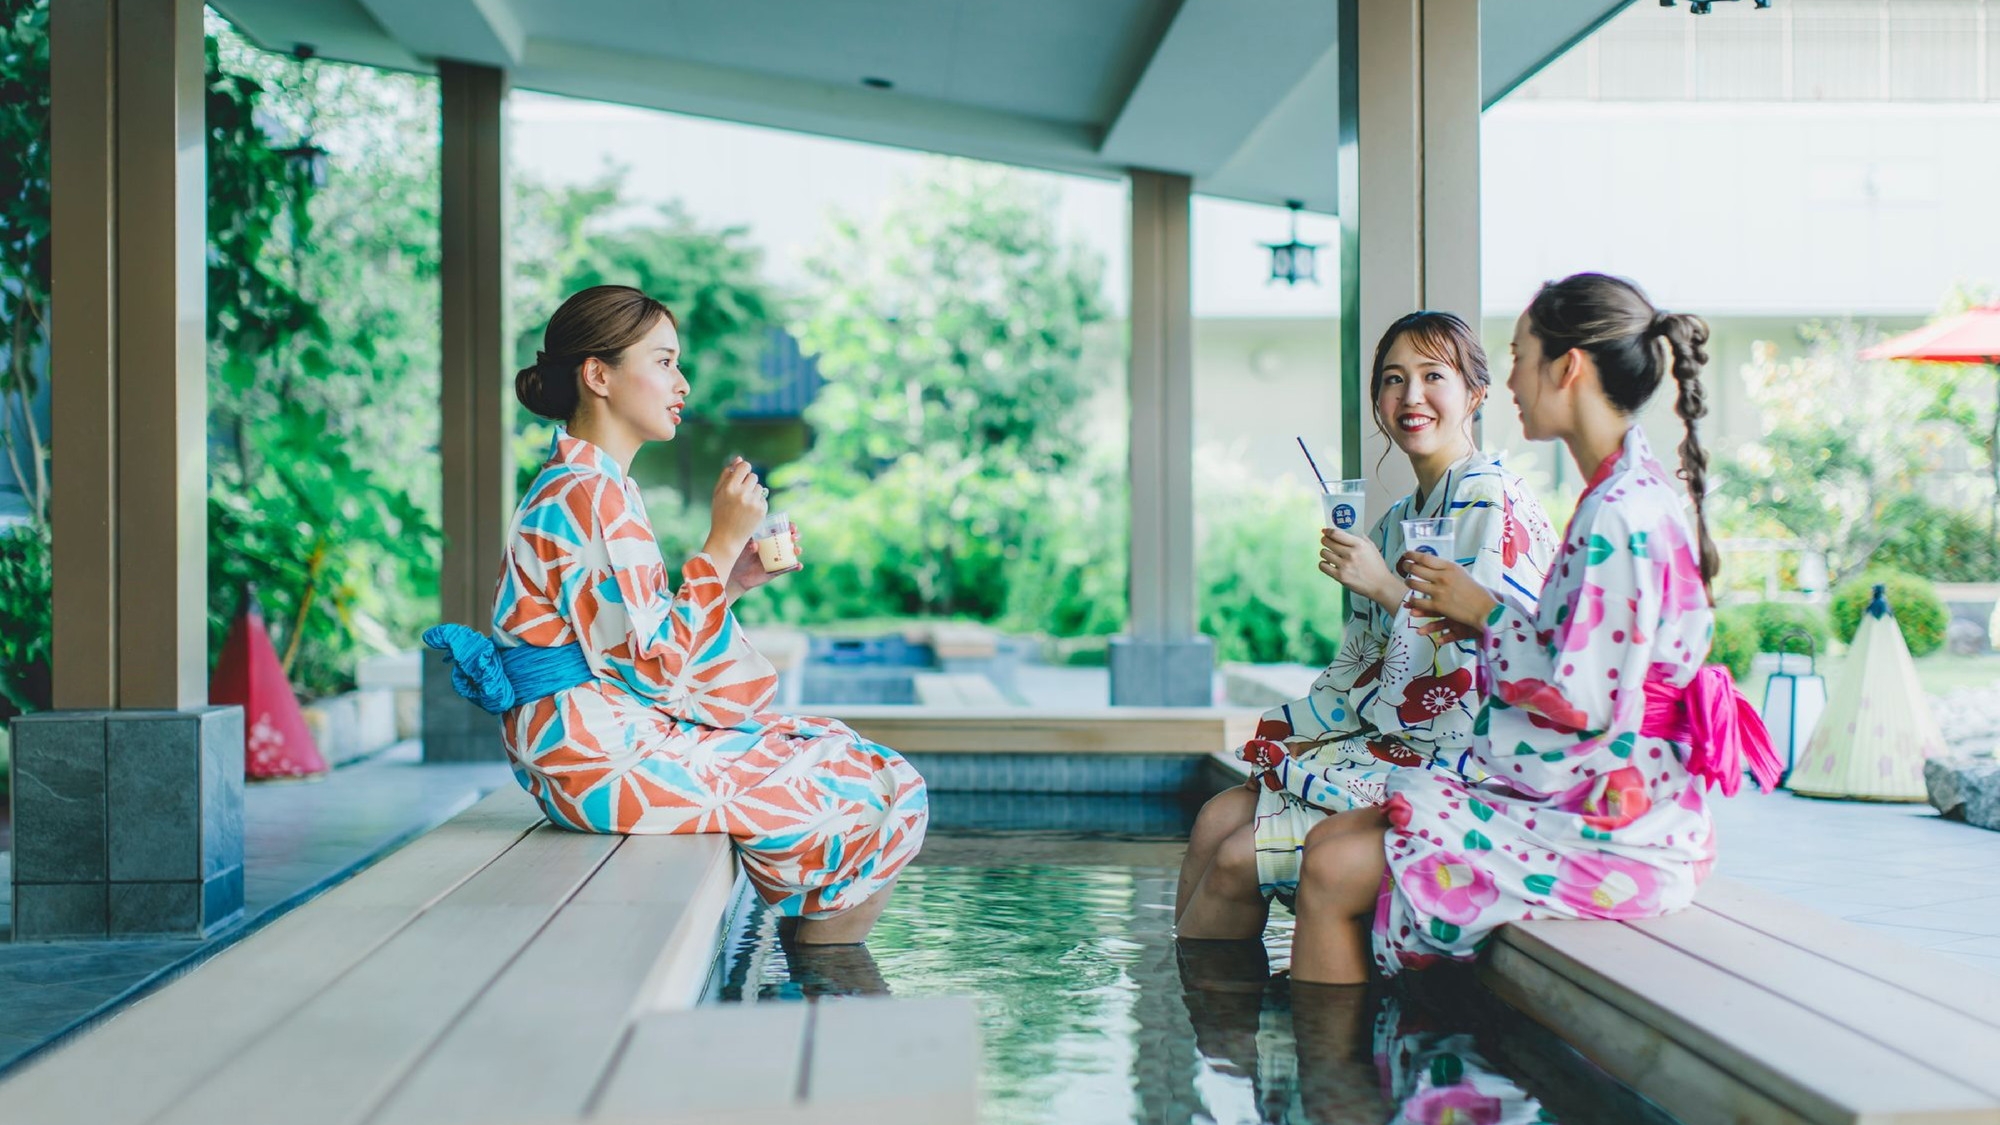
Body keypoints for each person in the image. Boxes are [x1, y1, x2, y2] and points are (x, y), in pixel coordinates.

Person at [1288, 272, 1777, 984]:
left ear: (1567, 366)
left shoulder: (1618, 513)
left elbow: (1581, 703)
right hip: (1607, 796)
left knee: (1333, 865)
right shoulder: (1621, 497)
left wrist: (1483, 612)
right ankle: (1356, 1072)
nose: (1509, 378)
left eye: (1519, 355)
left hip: (1624, 827)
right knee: (1334, 844)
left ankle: (1339, 1086)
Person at [426, 284, 928, 944]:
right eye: (663, 361)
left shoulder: (591, 484)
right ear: (598, 374)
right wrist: (719, 543)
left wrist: (733, 575)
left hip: (594, 740)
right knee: (868, 783)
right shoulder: (587, 494)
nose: (681, 382)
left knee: (843, 754)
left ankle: (820, 970)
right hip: (596, 758)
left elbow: (633, 641)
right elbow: (654, 665)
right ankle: (826, 979)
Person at [1176, 311, 1557, 941]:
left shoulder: (1490, 503)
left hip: (1465, 761)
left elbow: (1486, 668)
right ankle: (1174, 1019)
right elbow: (1366, 661)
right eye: (1393, 379)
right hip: (1393, 740)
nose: (1410, 397)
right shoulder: (1400, 517)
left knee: (1239, 859)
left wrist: (1384, 587)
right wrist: (1315, 729)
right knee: (1216, 820)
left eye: (1434, 376)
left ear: (1476, 394)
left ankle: (1219, 1032)